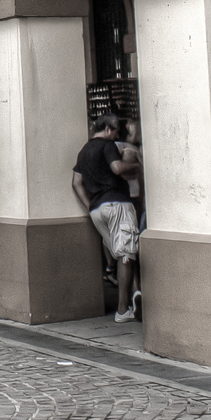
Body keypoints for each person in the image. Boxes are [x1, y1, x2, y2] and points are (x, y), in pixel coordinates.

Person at [73, 114, 141, 323]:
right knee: (126, 255)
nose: (117, 135)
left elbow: (76, 183)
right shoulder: (107, 145)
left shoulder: (84, 151)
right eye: (116, 131)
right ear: (110, 129)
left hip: (97, 210)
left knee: (122, 253)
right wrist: (139, 166)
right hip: (117, 203)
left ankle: (136, 294)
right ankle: (123, 310)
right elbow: (117, 168)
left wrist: (90, 205)